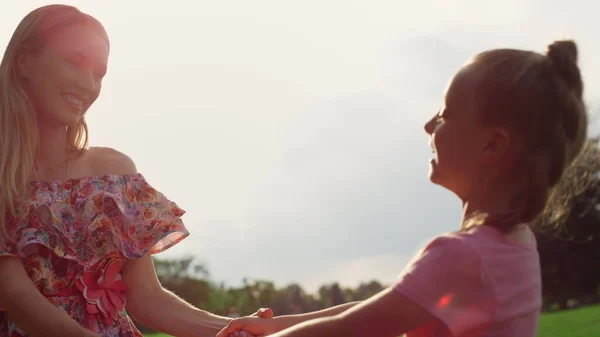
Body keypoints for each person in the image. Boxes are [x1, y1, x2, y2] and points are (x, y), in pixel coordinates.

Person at [217, 39, 588, 337]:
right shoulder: (514, 246)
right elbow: (384, 307)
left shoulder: (462, 256)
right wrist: (277, 325)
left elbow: (351, 329)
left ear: (492, 145)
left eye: (444, 115)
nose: (429, 126)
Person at [0, 5, 273, 337]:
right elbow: (15, 296)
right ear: (23, 62)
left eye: (99, 73)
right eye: (73, 62)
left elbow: (147, 299)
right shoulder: (4, 175)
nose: (88, 84)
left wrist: (238, 328)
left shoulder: (114, 174)